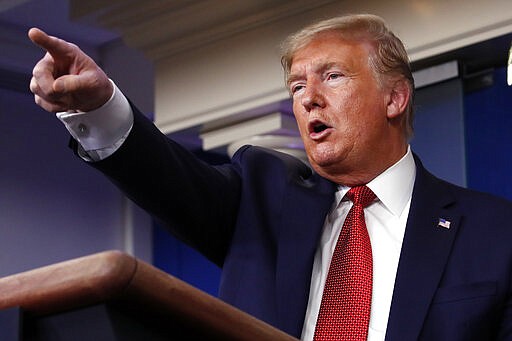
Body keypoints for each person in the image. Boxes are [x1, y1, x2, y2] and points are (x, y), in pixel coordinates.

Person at [28, 13, 512, 341]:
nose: (308, 98)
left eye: (333, 77)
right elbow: (168, 178)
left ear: (395, 98)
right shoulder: (261, 199)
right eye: (298, 85)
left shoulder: (494, 232)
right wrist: (99, 106)